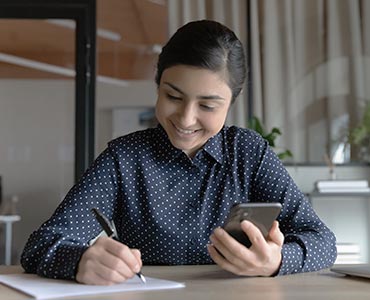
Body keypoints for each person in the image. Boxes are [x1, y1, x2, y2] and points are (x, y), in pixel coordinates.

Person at [21, 20, 337, 285]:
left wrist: (276, 260)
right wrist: (79, 261)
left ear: (231, 103)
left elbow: (323, 241)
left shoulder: (249, 154)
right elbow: (39, 246)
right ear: (157, 85)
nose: (186, 119)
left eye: (208, 105)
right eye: (173, 96)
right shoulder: (125, 158)